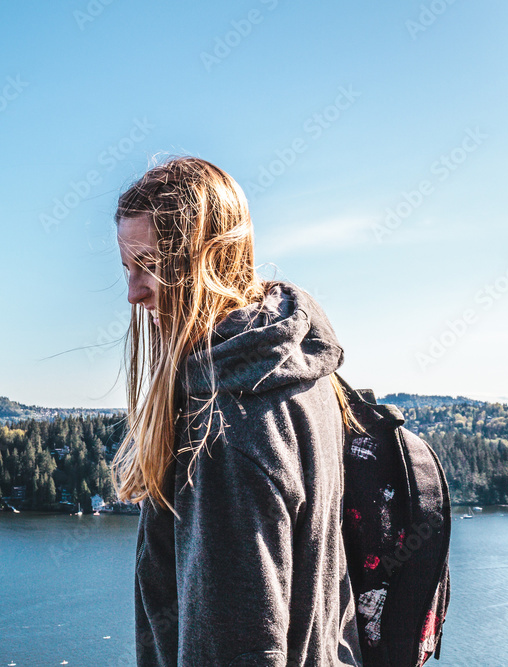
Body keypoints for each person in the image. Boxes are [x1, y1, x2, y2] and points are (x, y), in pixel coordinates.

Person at [111, 156, 364, 666]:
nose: (135, 292)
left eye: (153, 267)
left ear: (208, 260)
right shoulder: (301, 372)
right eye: (128, 268)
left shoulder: (226, 421)